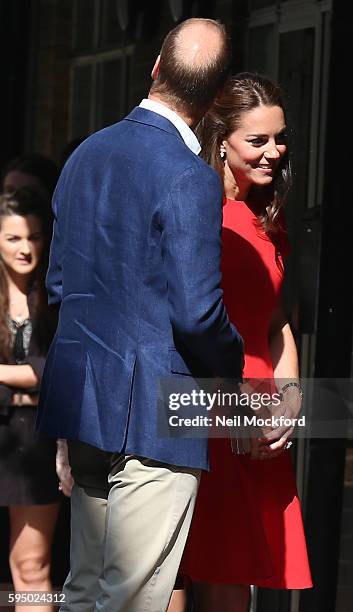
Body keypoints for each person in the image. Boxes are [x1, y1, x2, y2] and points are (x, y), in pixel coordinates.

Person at [36, 17, 244, 612]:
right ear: (217, 98)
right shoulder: (189, 177)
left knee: (83, 593)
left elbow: (60, 287)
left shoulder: (83, 156)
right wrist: (232, 371)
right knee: (128, 602)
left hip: (83, 402)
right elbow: (199, 314)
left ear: (155, 66)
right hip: (157, 414)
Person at [174, 73, 312, 612]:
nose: (274, 152)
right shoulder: (197, 210)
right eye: (258, 140)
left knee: (237, 568)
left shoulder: (270, 223)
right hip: (206, 400)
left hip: (261, 405)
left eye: (280, 139)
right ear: (221, 138)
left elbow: (276, 321)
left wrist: (292, 397)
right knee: (182, 564)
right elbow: (183, 319)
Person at [0, 188, 59, 611]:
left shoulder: (54, 297)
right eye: (14, 238)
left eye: (34, 238)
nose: (25, 248)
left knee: (32, 565)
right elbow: (39, 372)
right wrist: (26, 384)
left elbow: (54, 367)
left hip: (35, 444)